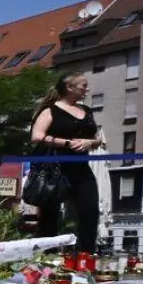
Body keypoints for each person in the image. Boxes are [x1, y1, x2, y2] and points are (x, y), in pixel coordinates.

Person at [29, 73, 104, 253]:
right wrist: (67, 143)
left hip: (80, 168)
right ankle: (48, 258)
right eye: (83, 85)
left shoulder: (87, 111)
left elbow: (97, 138)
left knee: (90, 212)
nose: (87, 89)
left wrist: (90, 143)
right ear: (70, 88)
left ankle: (86, 255)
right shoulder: (50, 110)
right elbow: (36, 136)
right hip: (54, 169)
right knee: (49, 216)